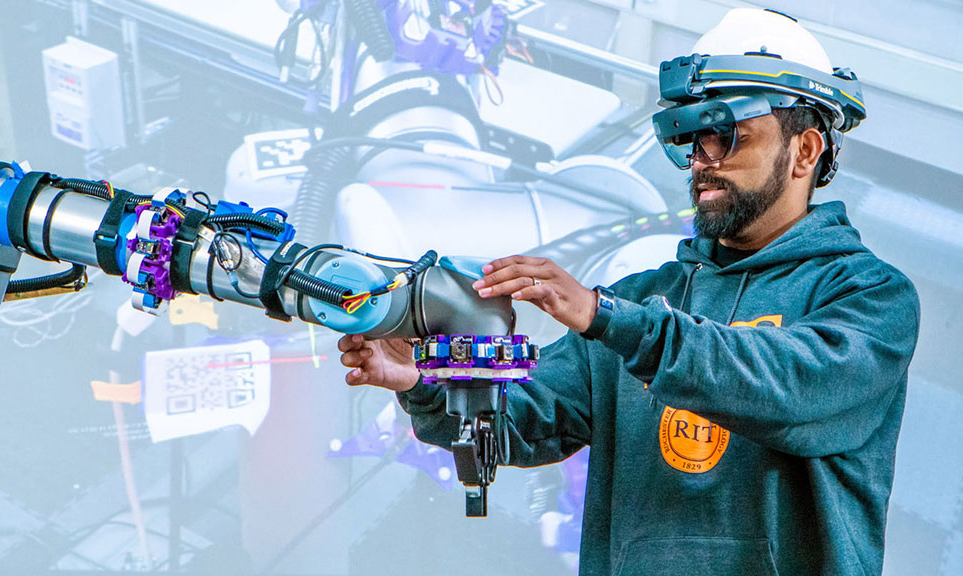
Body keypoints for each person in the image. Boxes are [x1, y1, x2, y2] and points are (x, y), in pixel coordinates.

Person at [337, 8, 920, 576]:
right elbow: (525, 418)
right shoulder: (644, 296)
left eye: (725, 134)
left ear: (806, 151)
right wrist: (425, 378)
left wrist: (606, 316)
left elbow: (787, 386)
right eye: (691, 139)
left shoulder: (870, 297)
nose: (701, 161)